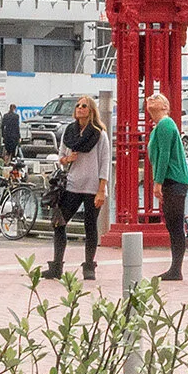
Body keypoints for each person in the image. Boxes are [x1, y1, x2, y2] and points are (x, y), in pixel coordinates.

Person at [42, 95, 111, 280]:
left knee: (90, 227)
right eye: (78, 105)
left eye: (84, 106)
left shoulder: (99, 134)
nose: (80, 108)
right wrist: (67, 159)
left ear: (91, 110)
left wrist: (101, 189)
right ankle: (56, 265)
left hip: (92, 187)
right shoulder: (69, 131)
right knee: (59, 222)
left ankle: (89, 266)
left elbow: (105, 162)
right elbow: (61, 157)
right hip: (72, 184)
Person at [145, 91, 188, 281]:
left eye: (156, 97)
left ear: (165, 106)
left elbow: (164, 155)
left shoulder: (165, 123)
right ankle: (175, 267)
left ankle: (176, 268)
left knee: (175, 224)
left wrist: (157, 183)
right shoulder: (158, 126)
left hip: (174, 179)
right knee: (173, 224)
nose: (150, 99)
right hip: (172, 180)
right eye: (149, 97)